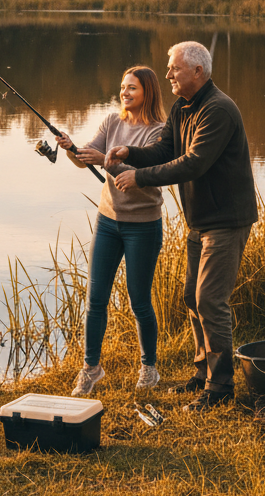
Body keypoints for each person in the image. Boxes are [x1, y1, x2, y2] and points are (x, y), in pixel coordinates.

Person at [105, 41, 257, 412]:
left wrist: (139, 177)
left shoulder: (218, 110)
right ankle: (203, 375)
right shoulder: (183, 107)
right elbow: (166, 148)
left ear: (197, 72)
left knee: (210, 300)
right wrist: (132, 154)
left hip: (226, 221)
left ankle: (221, 388)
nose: (168, 74)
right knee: (191, 296)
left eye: (174, 69)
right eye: (170, 69)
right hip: (201, 220)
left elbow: (192, 164)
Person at [57, 65, 167, 397]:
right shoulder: (111, 122)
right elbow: (87, 159)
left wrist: (104, 158)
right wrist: (72, 150)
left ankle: (149, 368)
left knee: (139, 302)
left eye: (132, 88)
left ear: (147, 92)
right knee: (95, 300)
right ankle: (91, 369)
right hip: (107, 221)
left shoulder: (159, 133)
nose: (125, 92)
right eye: (123, 87)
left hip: (143, 226)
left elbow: (140, 172)